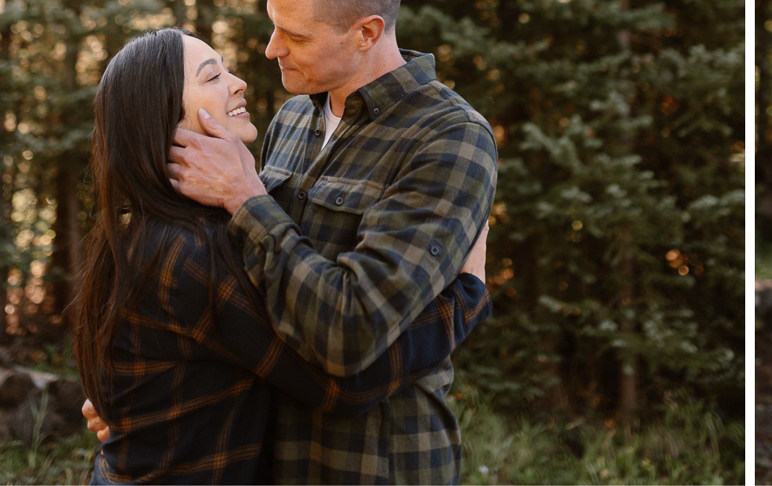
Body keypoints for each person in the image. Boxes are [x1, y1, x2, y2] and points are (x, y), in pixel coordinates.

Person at [156, 0, 499, 483]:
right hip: (268, 455)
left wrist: (246, 198)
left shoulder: (449, 139)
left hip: (373, 466)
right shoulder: (292, 119)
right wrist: (149, 398)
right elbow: (252, 297)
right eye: (273, 25)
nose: (270, 49)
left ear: (366, 32)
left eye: (293, 34)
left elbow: (350, 332)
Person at [75, 27, 491, 485]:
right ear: (166, 121)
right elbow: (342, 385)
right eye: (213, 77)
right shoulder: (189, 251)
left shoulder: (166, 228)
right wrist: (464, 299)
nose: (238, 82)